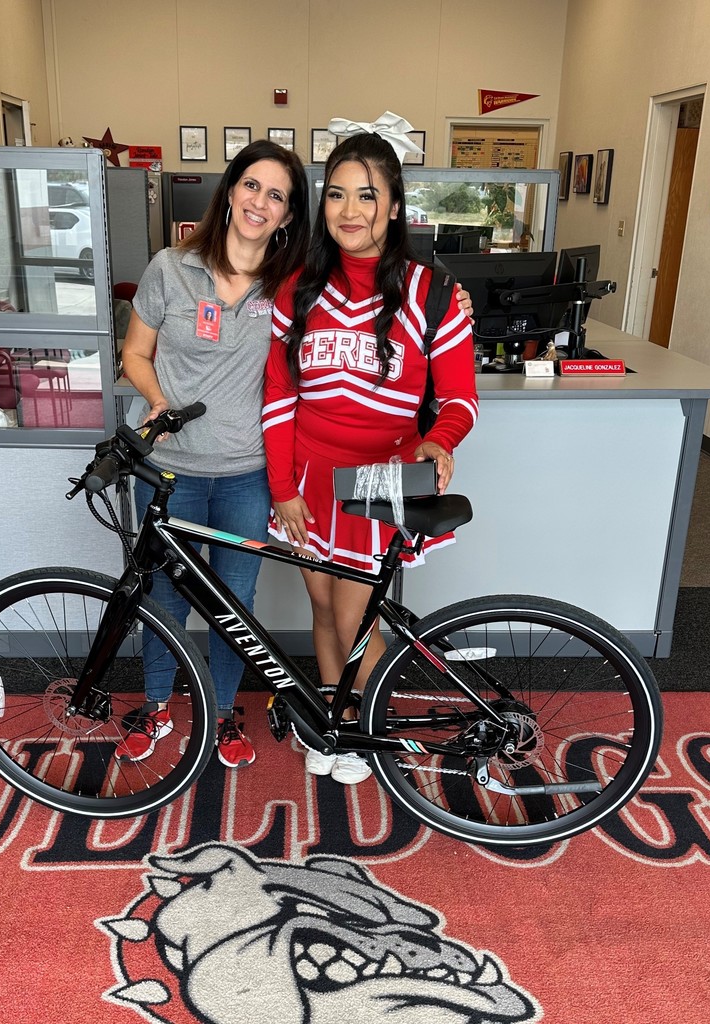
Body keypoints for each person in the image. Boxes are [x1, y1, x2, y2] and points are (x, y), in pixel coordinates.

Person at [262, 119, 479, 784]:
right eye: (336, 194)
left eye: (366, 195)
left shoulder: (434, 295)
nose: (349, 210)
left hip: (379, 482)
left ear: (393, 205)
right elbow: (278, 400)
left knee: (358, 623)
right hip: (307, 481)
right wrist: (283, 489)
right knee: (322, 609)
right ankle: (335, 723)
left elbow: (461, 401)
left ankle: (365, 729)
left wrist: (437, 441)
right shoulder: (297, 289)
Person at [119, 139, 311, 768]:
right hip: (166, 471)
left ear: (286, 216)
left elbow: (373, 288)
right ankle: (156, 705)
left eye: (276, 196)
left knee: (235, 604)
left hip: (244, 475)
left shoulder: (290, 288)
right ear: (230, 192)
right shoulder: (170, 268)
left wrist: (454, 300)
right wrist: (156, 402)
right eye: (252, 186)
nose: (261, 202)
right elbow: (135, 355)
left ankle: (226, 713)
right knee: (161, 595)